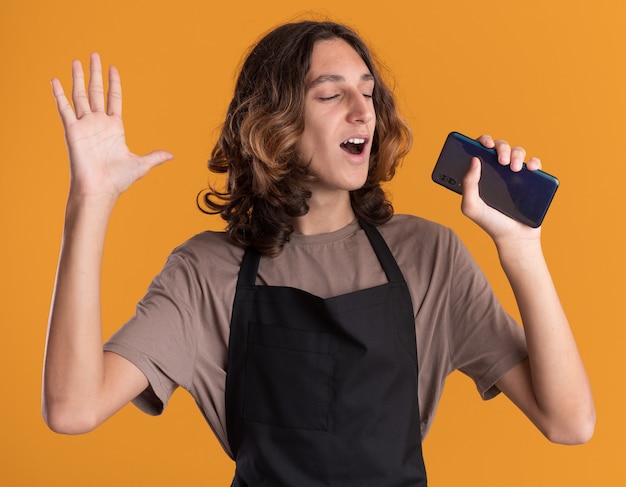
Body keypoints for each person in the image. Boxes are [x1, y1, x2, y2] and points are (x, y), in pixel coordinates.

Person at [43, 20, 595, 486]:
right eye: (331, 94)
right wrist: (89, 203)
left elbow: (569, 422)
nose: (363, 112)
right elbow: (73, 408)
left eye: (368, 92)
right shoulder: (204, 272)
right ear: (273, 123)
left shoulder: (430, 255)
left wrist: (520, 248)